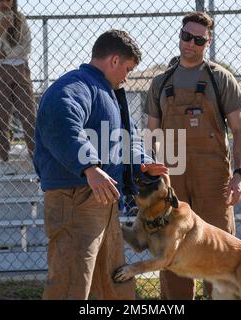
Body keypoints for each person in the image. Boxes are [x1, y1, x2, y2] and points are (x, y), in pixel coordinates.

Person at [34, 30, 168, 300]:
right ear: (114, 60)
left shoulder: (106, 92)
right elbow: (61, 119)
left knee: (115, 280)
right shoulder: (76, 85)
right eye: (128, 69)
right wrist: (90, 168)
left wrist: (143, 163)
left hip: (103, 200)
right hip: (75, 198)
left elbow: (123, 139)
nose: (127, 76)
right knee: (71, 282)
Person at [144, 11, 241, 300]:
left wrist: (239, 175)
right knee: (172, 248)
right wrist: (150, 176)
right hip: (171, 175)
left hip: (212, 177)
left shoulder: (221, 79)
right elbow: (151, 133)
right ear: (180, 36)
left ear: (208, 42)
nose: (190, 43)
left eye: (198, 40)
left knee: (218, 247)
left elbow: (240, 130)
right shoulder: (160, 83)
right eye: (185, 36)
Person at [0, 0, 36, 161]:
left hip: (20, 69)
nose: (7, 2)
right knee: (1, 118)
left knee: (29, 116)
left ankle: (37, 159)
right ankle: (5, 158)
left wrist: (5, 53)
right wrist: (1, 28)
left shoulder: (20, 18)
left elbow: (26, 47)